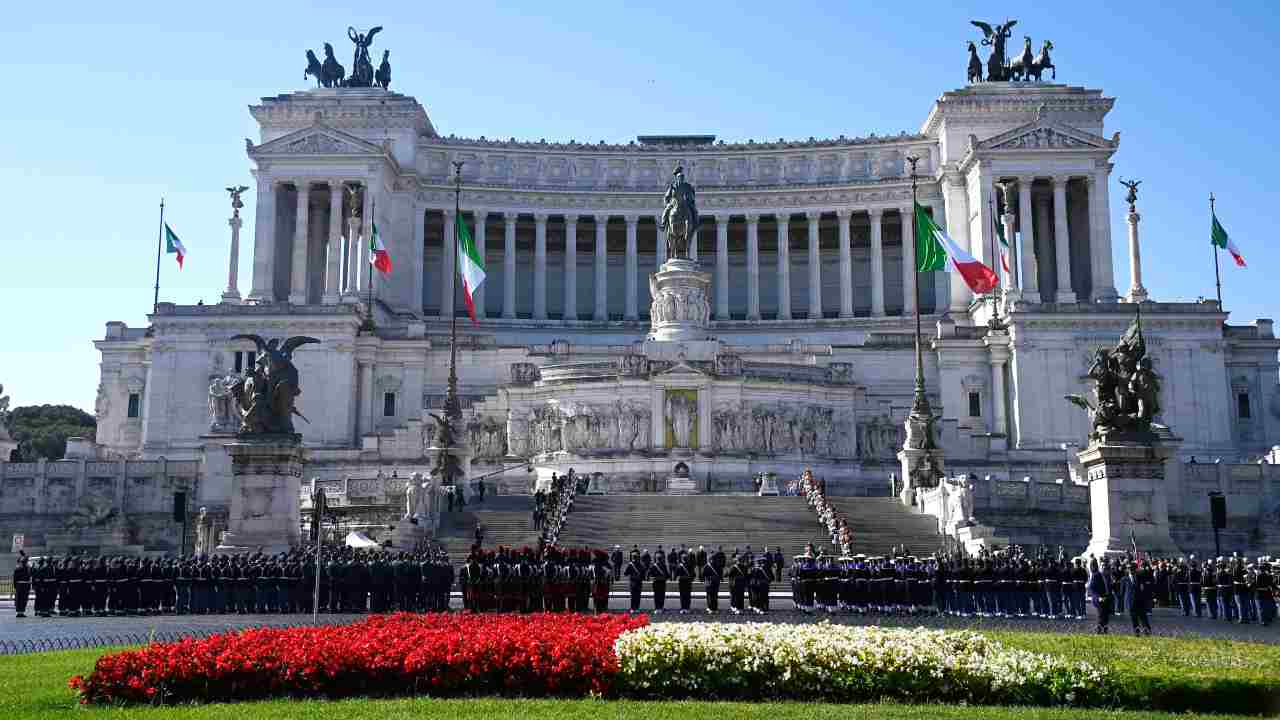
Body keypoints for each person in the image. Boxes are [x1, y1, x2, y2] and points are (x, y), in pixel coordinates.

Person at [1121, 563, 1152, 636]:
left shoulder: (1140, 577)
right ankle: (1136, 633)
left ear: (1135, 569)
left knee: (1143, 618)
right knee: (1134, 619)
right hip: (1130, 602)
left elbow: (1145, 586)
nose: (1131, 570)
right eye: (1129, 569)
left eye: (1132, 569)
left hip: (1140, 601)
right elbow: (1122, 592)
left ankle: (1147, 632)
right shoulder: (1124, 579)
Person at [1087, 557, 1112, 634]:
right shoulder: (1096, 575)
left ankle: (1105, 631)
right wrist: (1098, 597)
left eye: (1105, 566)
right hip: (1099, 598)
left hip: (1107, 598)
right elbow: (1091, 588)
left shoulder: (1108, 576)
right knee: (1101, 615)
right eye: (1102, 566)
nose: (1104, 567)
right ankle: (1099, 631)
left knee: (1106, 616)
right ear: (1100, 567)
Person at [13, 554, 30, 618]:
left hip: (21, 585)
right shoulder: (24, 569)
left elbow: (15, 579)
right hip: (22, 585)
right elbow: (15, 579)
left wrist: (15, 586)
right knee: (21, 599)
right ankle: (20, 612)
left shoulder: (24, 569)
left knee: (22, 599)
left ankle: (20, 612)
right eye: (26, 562)